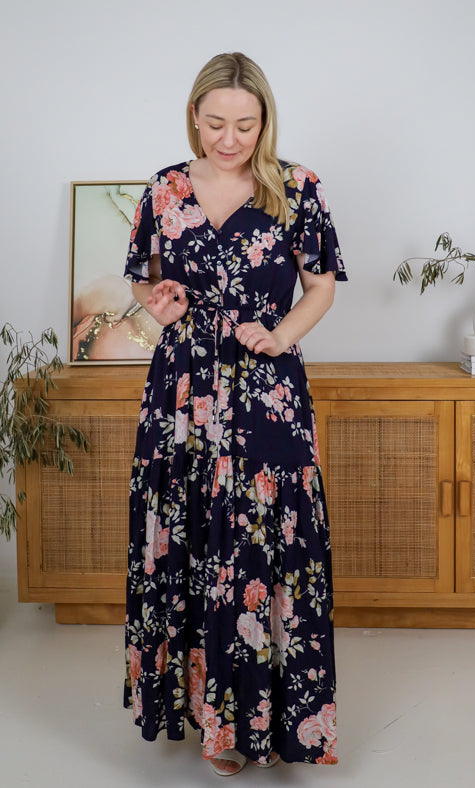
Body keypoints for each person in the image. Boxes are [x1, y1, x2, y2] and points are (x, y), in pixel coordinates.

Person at [123, 52, 347, 777]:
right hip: (183, 393)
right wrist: (160, 305)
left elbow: (320, 288)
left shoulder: (298, 189)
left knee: (263, 548)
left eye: (245, 125)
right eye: (216, 122)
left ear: (264, 121)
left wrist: (281, 334)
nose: (229, 138)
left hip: (265, 390)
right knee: (189, 543)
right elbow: (147, 285)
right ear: (194, 115)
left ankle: (273, 727)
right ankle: (215, 729)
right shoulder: (165, 191)